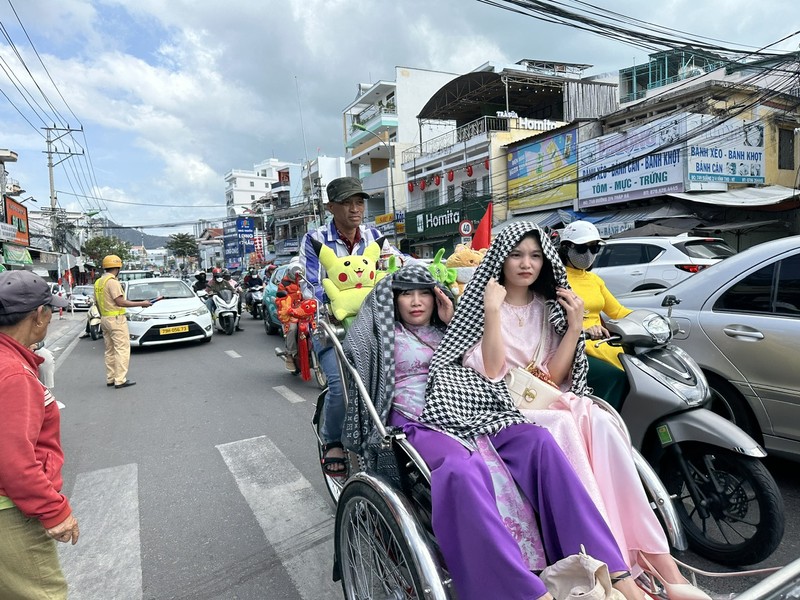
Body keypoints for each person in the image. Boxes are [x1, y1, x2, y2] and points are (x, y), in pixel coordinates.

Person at [342, 264, 640, 600]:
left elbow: (483, 368)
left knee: (536, 440)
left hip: (471, 406)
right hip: (417, 417)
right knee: (461, 470)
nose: (415, 301)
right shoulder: (383, 335)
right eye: (406, 293)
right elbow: (359, 364)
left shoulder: (449, 330)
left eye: (424, 292)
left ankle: (606, 566)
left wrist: (456, 322)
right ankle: (518, 589)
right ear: (393, 300)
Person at [450, 222, 708, 600]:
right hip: (499, 409)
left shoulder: (545, 307)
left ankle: (659, 562)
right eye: (517, 255)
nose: (527, 264)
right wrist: (491, 310)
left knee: (599, 419)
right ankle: (610, 563)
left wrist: (573, 327)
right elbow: (490, 370)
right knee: (562, 422)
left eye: (535, 256)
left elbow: (552, 377)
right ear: (501, 259)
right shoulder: (482, 304)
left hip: (543, 400)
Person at [299, 176, 398, 476]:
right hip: (333, 326)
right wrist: (336, 304)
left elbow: (394, 264)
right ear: (331, 207)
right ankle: (331, 439)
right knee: (342, 388)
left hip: (374, 324)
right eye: (347, 203)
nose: (355, 209)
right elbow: (311, 284)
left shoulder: (374, 236)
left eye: (359, 202)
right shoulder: (315, 240)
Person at [0, 270, 77, 599]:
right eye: (50, 311)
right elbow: (14, 460)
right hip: (11, 511)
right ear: (39, 315)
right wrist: (54, 511)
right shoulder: (13, 373)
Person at [558, 220, 630, 409]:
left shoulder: (594, 279)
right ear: (566, 249)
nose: (589, 255)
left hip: (604, 344)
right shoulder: (557, 279)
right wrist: (584, 329)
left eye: (595, 248)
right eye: (583, 249)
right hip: (576, 348)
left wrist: (649, 321)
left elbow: (618, 311)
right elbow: (553, 320)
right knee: (616, 377)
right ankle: (605, 423)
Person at [95, 255, 151, 389]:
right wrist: (141, 303)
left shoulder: (99, 282)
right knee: (122, 349)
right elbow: (120, 302)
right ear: (118, 267)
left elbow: (97, 303)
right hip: (116, 320)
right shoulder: (112, 282)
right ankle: (120, 380)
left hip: (104, 318)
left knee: (109, 350)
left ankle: (111, 378)